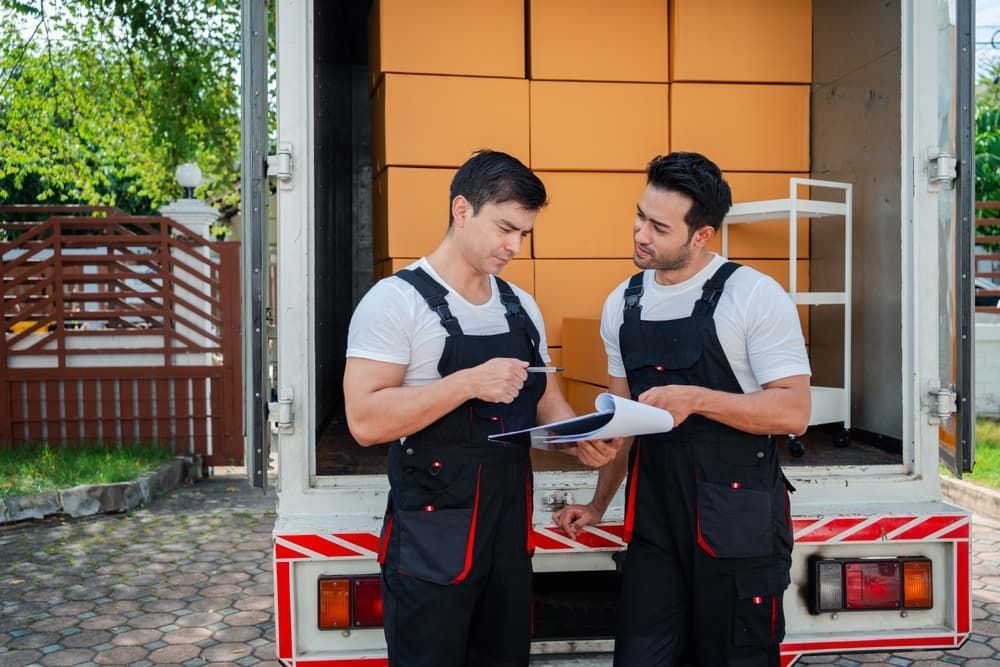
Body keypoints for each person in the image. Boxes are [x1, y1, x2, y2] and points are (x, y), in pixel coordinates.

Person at [343, 149, 620, 667]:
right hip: (432, 538)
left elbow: (547, 400)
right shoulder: (394, 302)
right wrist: (467, 383)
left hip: (507, 534)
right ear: (462, 210)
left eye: (524, 234)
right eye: (505, 228)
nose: (514, 246)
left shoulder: (519, 304)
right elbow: (364, 420)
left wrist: (577, 435)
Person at [554, 152, 811, 666]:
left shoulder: (753, 296)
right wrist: (600, 501)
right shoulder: (622, 303)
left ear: (702, 236)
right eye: (639, 215)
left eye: (659, 226)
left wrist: (693, 399)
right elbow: (621, 419)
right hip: (656, 528)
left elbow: (793, 411)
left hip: (736, 528)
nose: (640, 233)